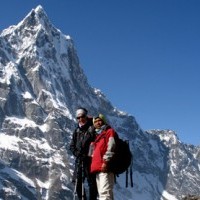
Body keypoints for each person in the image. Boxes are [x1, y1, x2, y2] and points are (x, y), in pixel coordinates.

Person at [70, 107, 98, 200]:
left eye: (82, 117)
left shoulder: (92, 128)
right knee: (77, 182)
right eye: (78, 118)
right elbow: (72, 145)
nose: (80, 119)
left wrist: (88, 154)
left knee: (92, 182)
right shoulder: (77, 131)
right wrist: (76, 153)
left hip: (90, 160)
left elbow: (97, 143)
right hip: (79, 160)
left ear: (86, 116)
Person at [89, 114, 116, 200]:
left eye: (99, 120)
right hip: (98, 169)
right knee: (102, 194)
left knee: (105, 194)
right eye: (95, 121)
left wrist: (105, 162)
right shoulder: (97, 137)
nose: (98, 123)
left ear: (103, 121)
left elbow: (111, 146)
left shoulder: (109, 132)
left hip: (105, 167)